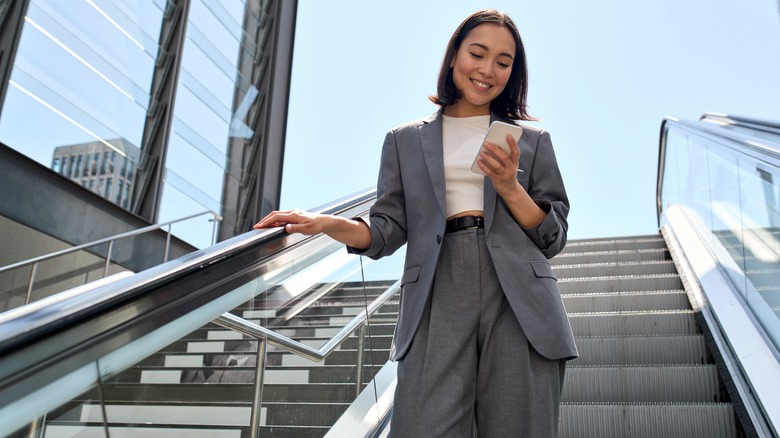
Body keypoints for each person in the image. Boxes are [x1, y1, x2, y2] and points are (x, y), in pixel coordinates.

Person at [254, 9, 577, 437]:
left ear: (513, 72)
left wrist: (509, 188)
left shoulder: (532, 141)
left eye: (503, 62)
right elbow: (387, 228)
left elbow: (553, 236)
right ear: (452, 57)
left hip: (520, 296)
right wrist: (328, 224)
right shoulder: (405, 140)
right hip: (435, 290)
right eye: (477, 54)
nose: (487, 70)